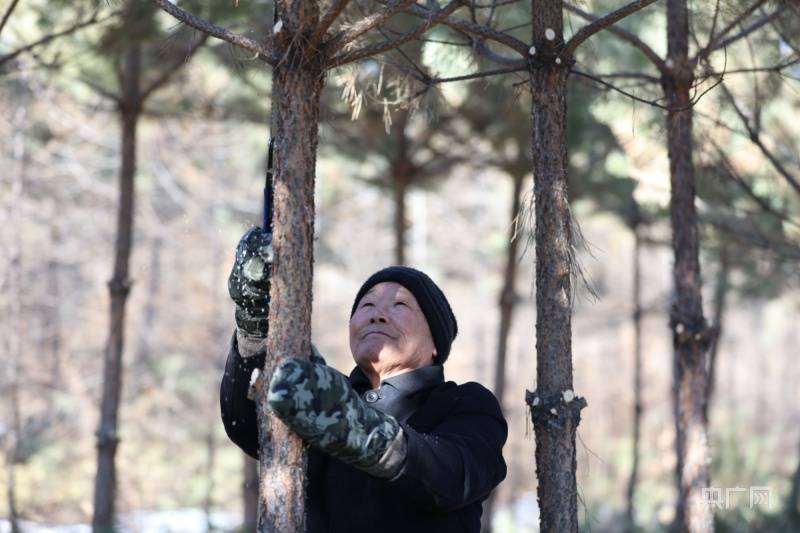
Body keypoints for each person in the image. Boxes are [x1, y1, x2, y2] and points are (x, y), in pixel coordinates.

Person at [221, 226, 508, 532]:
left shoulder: (464, 403)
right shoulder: (321, 399)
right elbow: (246, 424)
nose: (377, 315)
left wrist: (358, 431)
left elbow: (454, 475)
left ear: (436, 341)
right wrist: (254, 324)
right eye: (367, 305)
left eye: (400, 305)